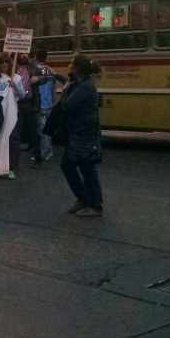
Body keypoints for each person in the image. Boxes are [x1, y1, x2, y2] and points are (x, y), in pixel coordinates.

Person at [60, 55, 104, 218]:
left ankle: (94, 204)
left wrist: (64, 91)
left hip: (84, 134)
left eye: (71, 63)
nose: (69, 65)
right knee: (77, 166)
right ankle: (85, 199)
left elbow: (67, 106)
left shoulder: (85, 87)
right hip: (80, 133)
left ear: (77, 68)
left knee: (84, 167)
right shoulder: (80, 84)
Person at [32, 49, 67, 163]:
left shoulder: (37, 70)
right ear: (46, 58)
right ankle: (48, 151)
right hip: (50, 104)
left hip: (41, 104)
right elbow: (62, 82)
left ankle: (45, 153)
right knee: (47, 129)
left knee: (42, 131)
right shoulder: (50, 70)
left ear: (36, 57)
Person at [0, 54, 26, 180]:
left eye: (6, 62)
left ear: (10, 64)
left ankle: (12, 168)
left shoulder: (16, 77)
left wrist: (15, 86)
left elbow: (23, 95)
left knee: (13, 140)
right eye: (1, 62)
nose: (4, 64)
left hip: (12, 113)